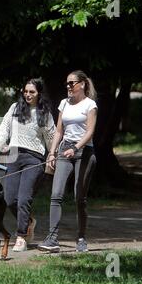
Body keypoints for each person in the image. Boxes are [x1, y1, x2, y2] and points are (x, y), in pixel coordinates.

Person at [0, 78, 55, 252]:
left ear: (39, 93)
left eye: (32, 92)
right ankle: (29, 221)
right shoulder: (15, 109)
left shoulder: (45, 114)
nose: (28, 94)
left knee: (24, 199)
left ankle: (21, 237)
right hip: (14, 157)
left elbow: (52, 139)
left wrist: (53, 155)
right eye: (25, 91)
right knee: (10, 199)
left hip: (34, 159)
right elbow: (4, 130)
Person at [38, 70, 97, 253]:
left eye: (72, 83)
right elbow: (58, 131)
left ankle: (81, 238)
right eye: (67, 83)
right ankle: (52, 239)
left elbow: (90, 132)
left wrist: (76, 148)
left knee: (80, 198)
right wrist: (52, 152)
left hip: (84, 151)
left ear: (82, 84)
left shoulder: (90, 105)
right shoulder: (64, 103)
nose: (69, 87)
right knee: (56, 194)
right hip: (65, 149)